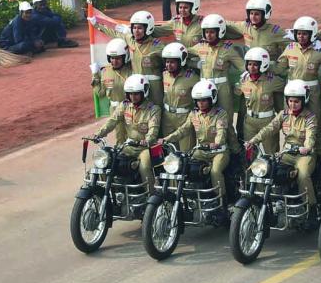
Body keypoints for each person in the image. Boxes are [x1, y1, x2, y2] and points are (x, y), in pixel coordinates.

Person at [248, 79, 319, 222]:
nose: (293, 104)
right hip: (286, 154)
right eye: (290, 101)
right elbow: (270, 128)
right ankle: (264, 201)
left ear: (303, 100)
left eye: (296, 102)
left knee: (303, 174)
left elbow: (311, 135)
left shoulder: (310, 117)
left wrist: (307, 147)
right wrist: (253, 140)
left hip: (304, 155)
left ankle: (311, 208)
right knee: (263, 168)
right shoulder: (284, 114)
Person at [161, 80, 232, 218]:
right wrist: (166, 139)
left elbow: (221, 131)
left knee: (215, 171)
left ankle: (221, 204)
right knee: (182, 167)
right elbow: (183, 130)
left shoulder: (220, 113)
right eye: (198, 101)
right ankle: (182, 200)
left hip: (219, 152)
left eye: (204, 100)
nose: (201, 103)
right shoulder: (194, 114)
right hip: (200, 151)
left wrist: (217, 143)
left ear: (212, 99)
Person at [93, 74, 161, 192]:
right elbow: (112, 120)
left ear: (144, 92)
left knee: (144, 166)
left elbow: (153, 130)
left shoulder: (153, 109)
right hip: (128, 146)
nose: (133, 97)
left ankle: (151, 195)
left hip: (147, 148)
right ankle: (109, 192)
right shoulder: (125, 105)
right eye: (130, 94)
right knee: (107, 161)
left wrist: (147, 140)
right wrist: (99, 133)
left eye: (136, 94)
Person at [89, 10, 166, 105]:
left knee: (156, 109)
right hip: (137, 86)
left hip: (154, 86)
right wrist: (96, 25)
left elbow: (169, 61)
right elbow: (114, 33)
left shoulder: (157, 45)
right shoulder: (130, 40)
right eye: (134, 28)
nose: (136, 31)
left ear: (148, 28)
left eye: (140, 28)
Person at [190, 13, 245, 121]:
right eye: (206, 32)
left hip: (222, 88)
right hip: (204, 87)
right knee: (206, 119)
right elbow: (182, 54)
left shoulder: (227, 49)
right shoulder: (200, 46)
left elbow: (244, 68)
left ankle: (230, 138)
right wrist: (194, 64)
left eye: (212, 32)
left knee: (226, 118)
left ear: (220, 32)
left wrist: (240, 85)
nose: (208, 35)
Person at [274, 16, 321, 122]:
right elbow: (279, 68)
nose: (301, 37)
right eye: (298, 33)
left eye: (304, 34)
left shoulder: (319, 51)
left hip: (312, 92)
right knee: (290, 120)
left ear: (312, 34)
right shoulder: (290, 48)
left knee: (314, 120)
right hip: (292, 91)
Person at [234, 47, 285, 154]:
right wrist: (240, 81)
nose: (252, 67)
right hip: (249, 121)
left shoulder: (272, 80)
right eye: (249, 64)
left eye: (255, 64)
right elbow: (236, 92)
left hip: (267, 121)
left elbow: (288, 88)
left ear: (263, 64)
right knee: (249, 151)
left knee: (270, 152)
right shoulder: (244, 80)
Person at [91, 38, 133, 143]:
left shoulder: (132, 70)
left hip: (131, 108)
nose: (114, 61)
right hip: (114, 109)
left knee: (133, 136)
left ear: (125, 57)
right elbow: (100, 93)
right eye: (112, 58)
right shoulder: (105, 71)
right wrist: (95, 75)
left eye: (118, 58)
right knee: (120, 137)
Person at [160, 42, 199, 151]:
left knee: (185, 151)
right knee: (170, 150)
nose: (169, 65)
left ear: (181, 61)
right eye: (167, 62)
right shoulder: (164, 75)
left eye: (172, 62)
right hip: (167, 118)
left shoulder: (192, 78)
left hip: (184, 118)